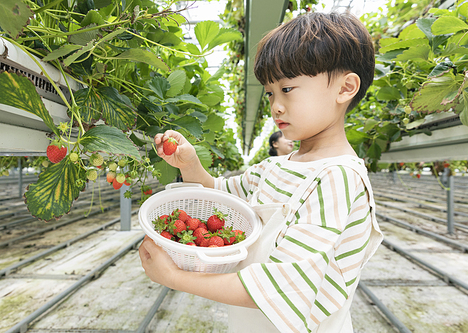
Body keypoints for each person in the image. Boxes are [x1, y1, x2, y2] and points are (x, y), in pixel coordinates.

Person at [139, 11, 382, 333]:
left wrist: (176, 278)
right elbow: (221, 195)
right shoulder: (277, 166)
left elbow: (281, 285)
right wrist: (190, 165)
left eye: (288, 89)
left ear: (345, 88)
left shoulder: (337, 178)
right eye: (270, 93)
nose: (276, 106)